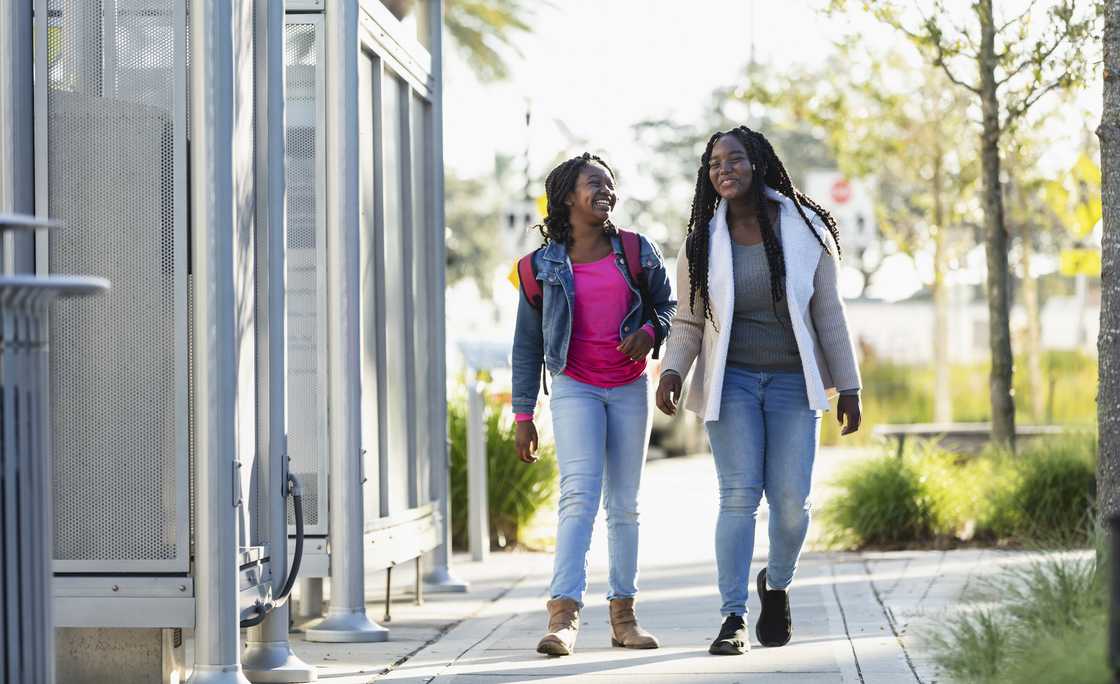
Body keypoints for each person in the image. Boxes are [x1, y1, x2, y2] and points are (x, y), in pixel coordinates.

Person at [655, 126, 862, 656]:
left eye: (736, 159)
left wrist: (850, 387)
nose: (724, 169)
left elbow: (828, 312)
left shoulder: (806, 228)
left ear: (759, 163)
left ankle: (777, 581)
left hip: (795, 382)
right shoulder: (702, 241)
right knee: (739, 497)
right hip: (735, 384)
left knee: (792, 504)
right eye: (715, 162)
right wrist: (673, 371)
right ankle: (732, 617)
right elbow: (689, 320)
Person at [511, 152, 676, 656]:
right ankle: (563, 617)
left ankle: (624, 618)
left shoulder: (635, 249)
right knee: (578, 496)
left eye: (609, 183)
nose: (605, 191)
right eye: (593, 184)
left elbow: (668, 305)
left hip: (628, 385)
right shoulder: (537, 267)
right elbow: (526, 345)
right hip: (575, 385)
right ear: (566, 197)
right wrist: (524, 414)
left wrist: (650, 332)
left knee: (624, 505)